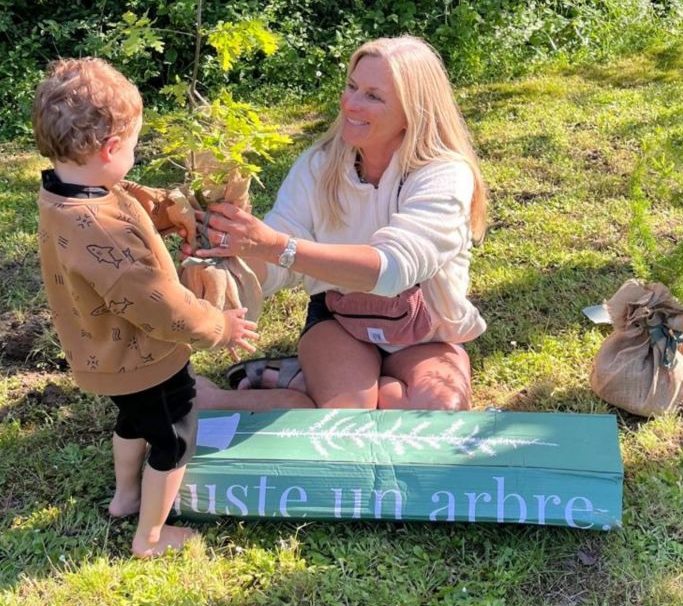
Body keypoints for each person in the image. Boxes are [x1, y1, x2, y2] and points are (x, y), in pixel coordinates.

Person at [33, 58, 259, 558]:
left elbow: (124, 195)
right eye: (133, 145)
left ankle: (125, 498)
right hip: (144, 357)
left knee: (134, 420)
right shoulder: (101, 231)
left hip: (108, 358)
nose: (132, 157)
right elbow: (160, 305)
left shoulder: (66, 190)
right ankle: (152, 536)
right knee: (174, 437)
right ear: (111, 148)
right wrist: (218, 325)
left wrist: (164, 207)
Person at [190, 36, 487, 413]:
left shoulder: (443, 174)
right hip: (341, 319)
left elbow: (394, 269)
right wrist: (226, 263)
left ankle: (301, 384)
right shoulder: (319, 165)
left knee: (439, 413)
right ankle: (217, 399)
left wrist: (274, 246)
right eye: (351, 87)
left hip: (426, 330)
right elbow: (278, 267)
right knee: (348, 420)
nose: (350, 103)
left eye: (373, 96)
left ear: (415, 110)